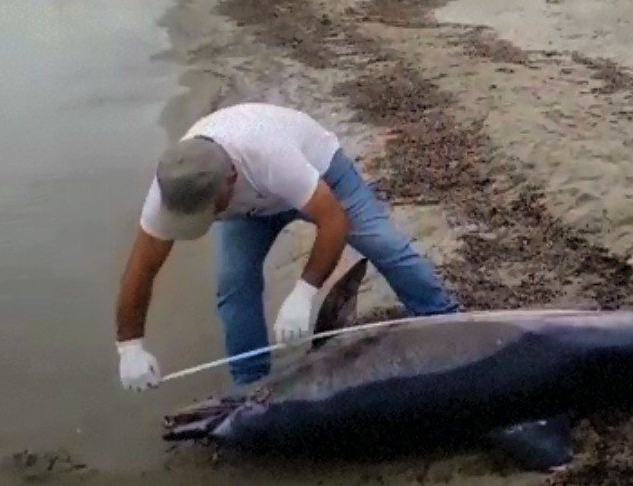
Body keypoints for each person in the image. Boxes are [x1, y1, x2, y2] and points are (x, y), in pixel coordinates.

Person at [115, 104, 459, 391]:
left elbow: (334, 222)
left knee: (387, 245)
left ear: (230, 179)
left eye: (208, 209)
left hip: (321, 175)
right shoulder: (175, 187)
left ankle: (447, 323)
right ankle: (251, 385)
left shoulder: (268, 155)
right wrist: (129, 346)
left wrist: (304, 292)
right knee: (234, 283)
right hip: (250, 210)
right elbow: (142, 267)